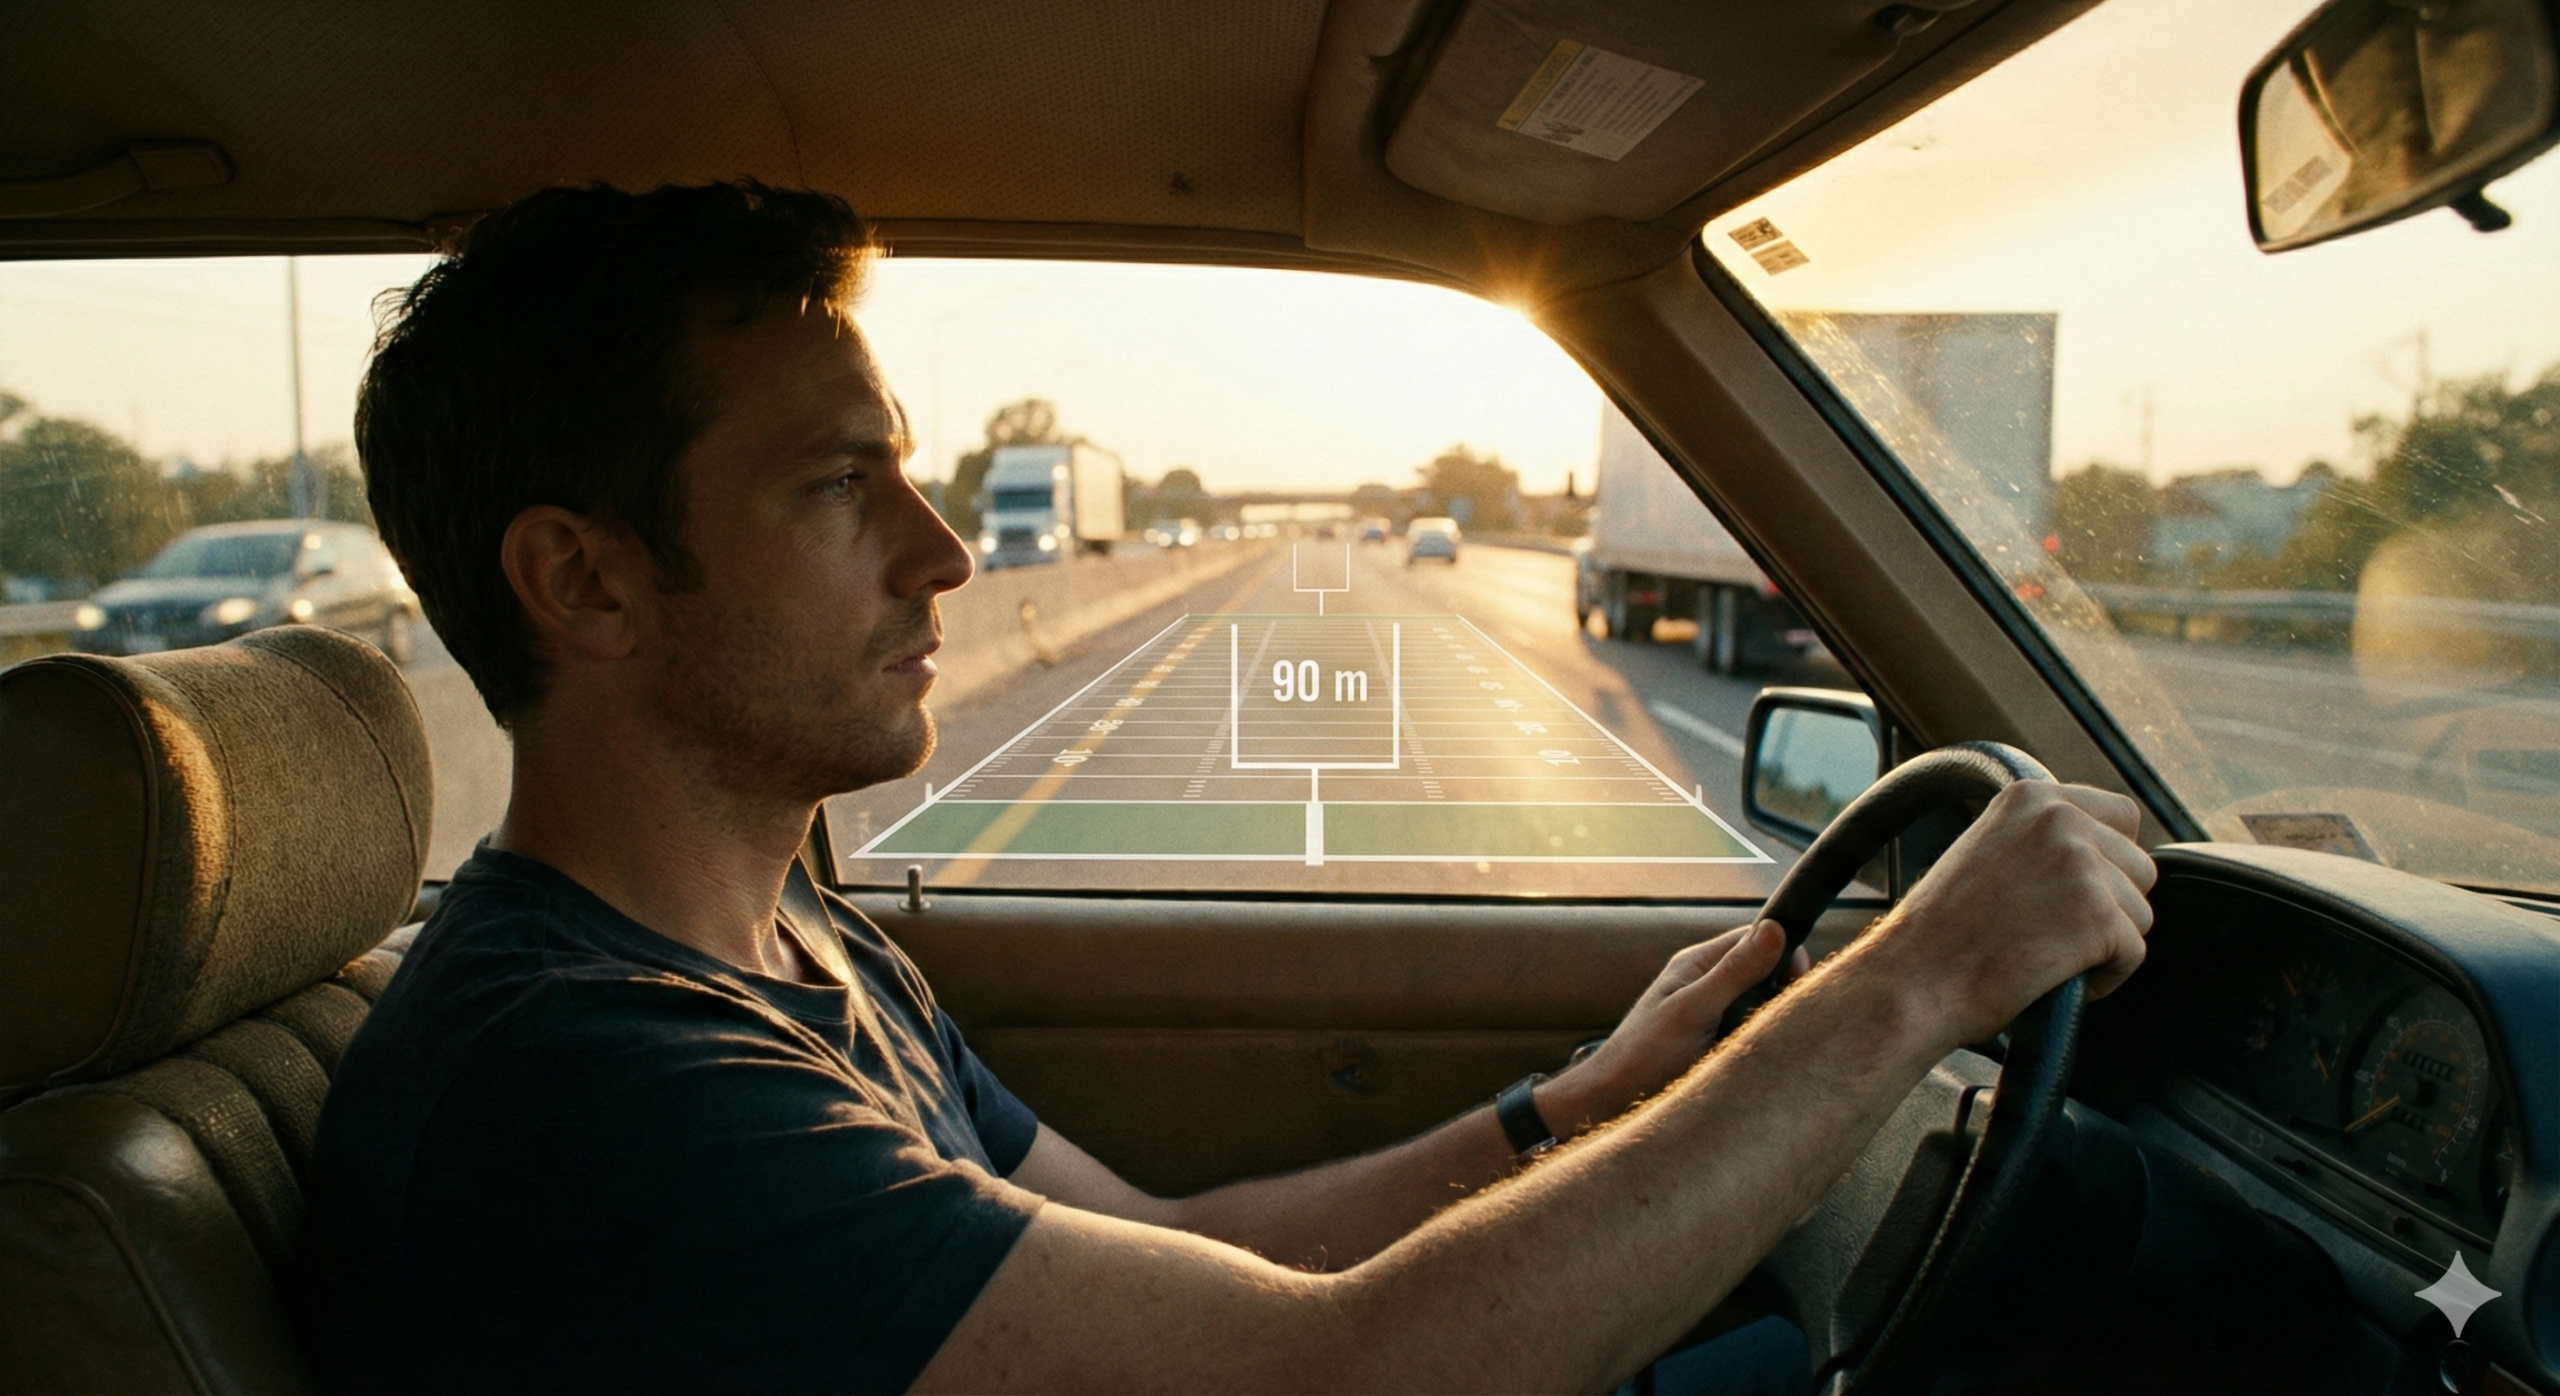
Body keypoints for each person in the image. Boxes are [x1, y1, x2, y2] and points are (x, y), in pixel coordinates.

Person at [290, 182, 2156, 1394]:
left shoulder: (790, 946)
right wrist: (1912, 985)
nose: (946, 555)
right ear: (585, 578)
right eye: (837, 487)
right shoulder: (585, 1082)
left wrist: (1569, 1108)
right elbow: (1333, 1380)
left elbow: (1180, 1261)